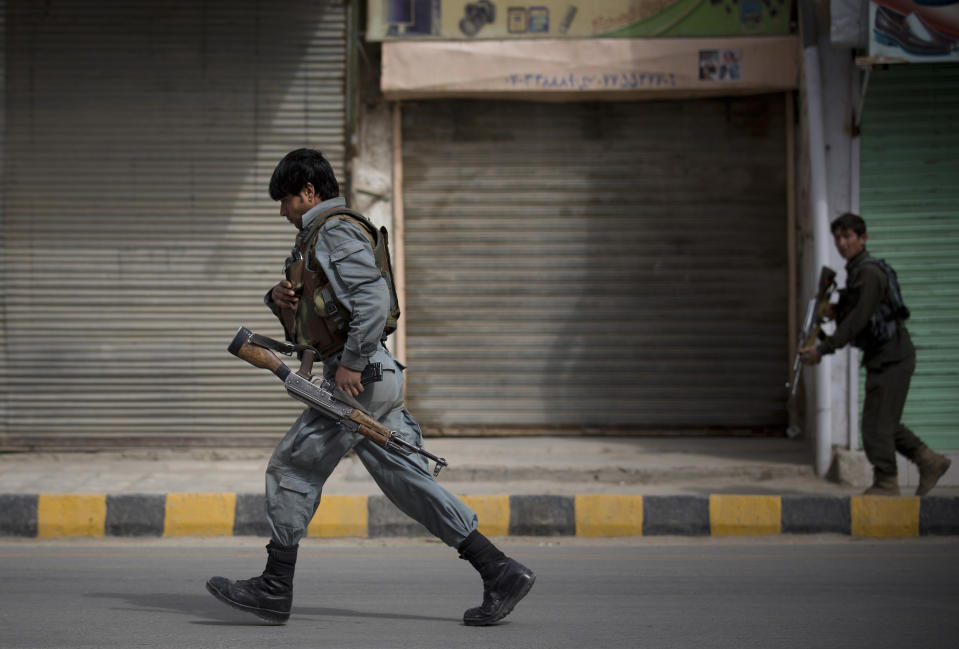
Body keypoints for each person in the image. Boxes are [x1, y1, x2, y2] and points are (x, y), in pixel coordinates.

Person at [206, 149, 535, 625]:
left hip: (359, 377)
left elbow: (373, 300)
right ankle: (498, 570)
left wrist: (352, 364)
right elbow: (319, 317)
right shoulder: (313, 238)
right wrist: (276, 299)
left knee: (292, 467)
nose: (282, 211)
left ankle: (275, 587)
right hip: (374, 377)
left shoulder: (334, 230)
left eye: (285, 200)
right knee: (408, 480)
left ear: (309, 191)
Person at [800, 213, 951, 496]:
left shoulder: (868, 273)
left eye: (848, 237)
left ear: (863, 238)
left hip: (892, 358)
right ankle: (930, 461)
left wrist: (823, 348)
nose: (842, 243)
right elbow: (857, 308)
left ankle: (886, 483)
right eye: (838, 238)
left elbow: (858, 319)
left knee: (876, 426)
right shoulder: (858, 273)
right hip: (885, 358)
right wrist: (832, 310)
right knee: (883, 423)